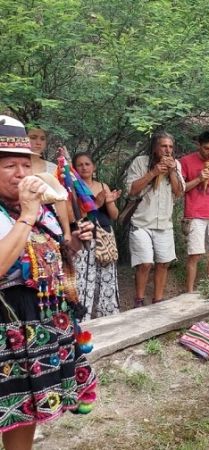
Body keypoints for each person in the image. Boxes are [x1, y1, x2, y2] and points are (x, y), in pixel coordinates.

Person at [0, 115, 97, 449]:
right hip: (7, 325)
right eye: (9, 165)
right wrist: (27, 214)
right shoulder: (25, 211)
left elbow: (51, 256)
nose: (21, 174)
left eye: (26, 165)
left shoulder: (38, 210)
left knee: (23, 412)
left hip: (37, 325)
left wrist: (77, 242)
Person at [125, 132, 185, 307]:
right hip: (142, 222)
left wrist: (172, 171)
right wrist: (153, 172)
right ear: (155, 147)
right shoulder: (140, 162)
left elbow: (179, 192)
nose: (167, 150)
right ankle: (139, 300)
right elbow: (132, 190)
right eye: (163, 146)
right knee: (144, 263)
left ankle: (158, 300)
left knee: (163, 263)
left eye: (170, 147)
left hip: (164, 223)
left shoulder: (176, 165)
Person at [72, 152, 121, 318]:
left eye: (87, 164)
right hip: (84, 236)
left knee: (106, 278)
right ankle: (82, 318)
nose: (84, 167)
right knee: (84, 278)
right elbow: (76, 215)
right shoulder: (73, 187)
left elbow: (114, 215)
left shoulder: (103, 186)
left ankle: (108, 316)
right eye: (80, 164)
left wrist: (109, 202)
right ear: (75, 168)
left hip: (104, 236)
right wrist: (97, 203)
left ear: (94, 167)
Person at [179, 131, 209, 293]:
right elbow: (181, 188)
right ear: (199, 146)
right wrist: (199, 179)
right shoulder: (186, 161)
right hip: (194, 213)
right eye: (206, 149)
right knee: (195, 254)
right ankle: (190, 291)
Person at [25, 126, 71, 242]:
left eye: (42, 139)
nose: (38, 142)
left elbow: (60, 199)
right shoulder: (14, 166)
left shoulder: (53, 168)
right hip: (19, 220)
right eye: (33, 137)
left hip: (48, 225)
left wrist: (67, 232)